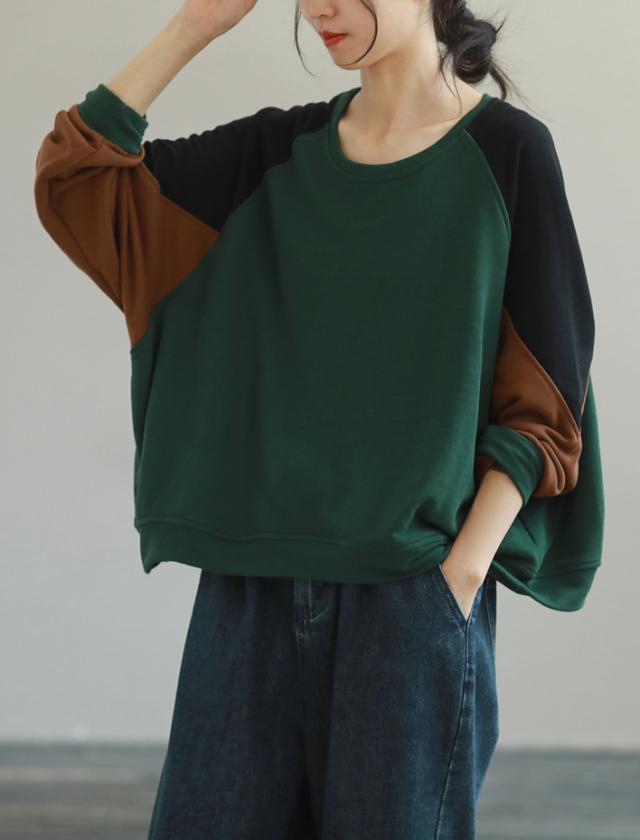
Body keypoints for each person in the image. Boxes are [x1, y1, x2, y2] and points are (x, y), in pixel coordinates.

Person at [33, 0, 605, 837]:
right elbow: (76, 178)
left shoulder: (508, 155)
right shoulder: (273, 156)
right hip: (247, 597)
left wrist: (460, 577)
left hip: (409, 602)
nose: (319, 8)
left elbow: (548, 400)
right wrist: (196, 25)